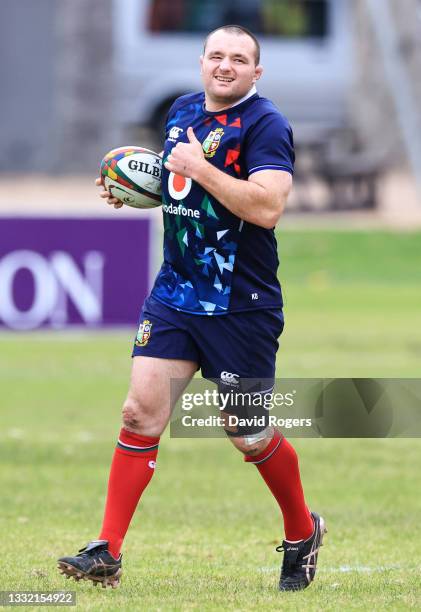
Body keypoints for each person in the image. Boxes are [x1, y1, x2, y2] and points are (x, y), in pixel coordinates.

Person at [57, 24, 326, 593]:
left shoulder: (266, 125)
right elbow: (177, 185)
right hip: (176, 293)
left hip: (240, 305)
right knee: (138, 413)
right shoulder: (181, 110)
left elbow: (269, 207)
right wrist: (134, 188)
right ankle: (106, 549)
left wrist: (200, 168)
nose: (225, 66)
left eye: (239, 59)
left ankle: (303, 532)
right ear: (201, 62)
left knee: (247, 433)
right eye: (215, 56)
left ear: (257, 72)